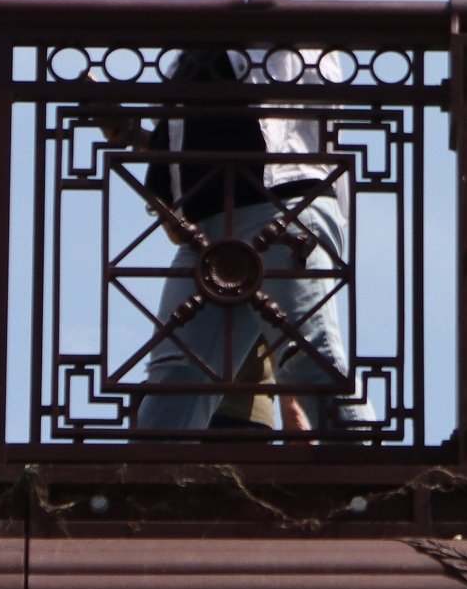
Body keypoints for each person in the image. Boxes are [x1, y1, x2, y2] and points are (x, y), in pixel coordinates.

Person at [128, 44, 370, 436]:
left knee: (307, 358)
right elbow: (174, 152)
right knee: (175, 373)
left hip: (280, 209)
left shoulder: (278, 37)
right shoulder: (194, 58)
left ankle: (374, 484)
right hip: (204, 232)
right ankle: (141, 489)